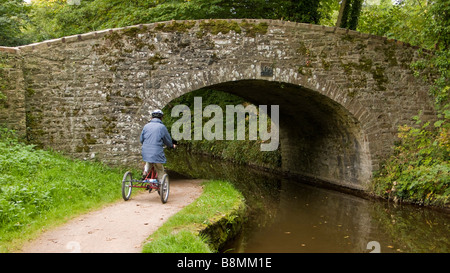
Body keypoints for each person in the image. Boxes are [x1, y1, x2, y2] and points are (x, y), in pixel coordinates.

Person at [140, 109, 176, 183]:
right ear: (161, 117)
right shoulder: (162, 127)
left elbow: (141, 139)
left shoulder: (146, 126)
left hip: (145, 150)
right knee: (160, 168)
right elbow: (167, 140)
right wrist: (171, 146)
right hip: (156, 151)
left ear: (152, 117)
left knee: (148, 160)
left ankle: (145, 171)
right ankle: (160, 182)